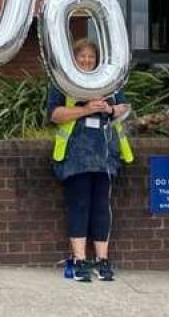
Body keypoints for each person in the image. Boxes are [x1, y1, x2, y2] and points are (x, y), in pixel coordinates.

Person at [47, 38, 133, 283]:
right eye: (82, 56)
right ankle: (79, 260)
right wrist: (86, 109)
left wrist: (109, 110)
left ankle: (103, 260)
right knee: (80, 204)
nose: (87, 61)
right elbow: (54, 114)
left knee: (101, 207)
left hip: (105, 154)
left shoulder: (110, 83)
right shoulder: (63, 82)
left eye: (91, 57)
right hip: (75, 155)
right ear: (73, 60)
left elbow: (125, 109)